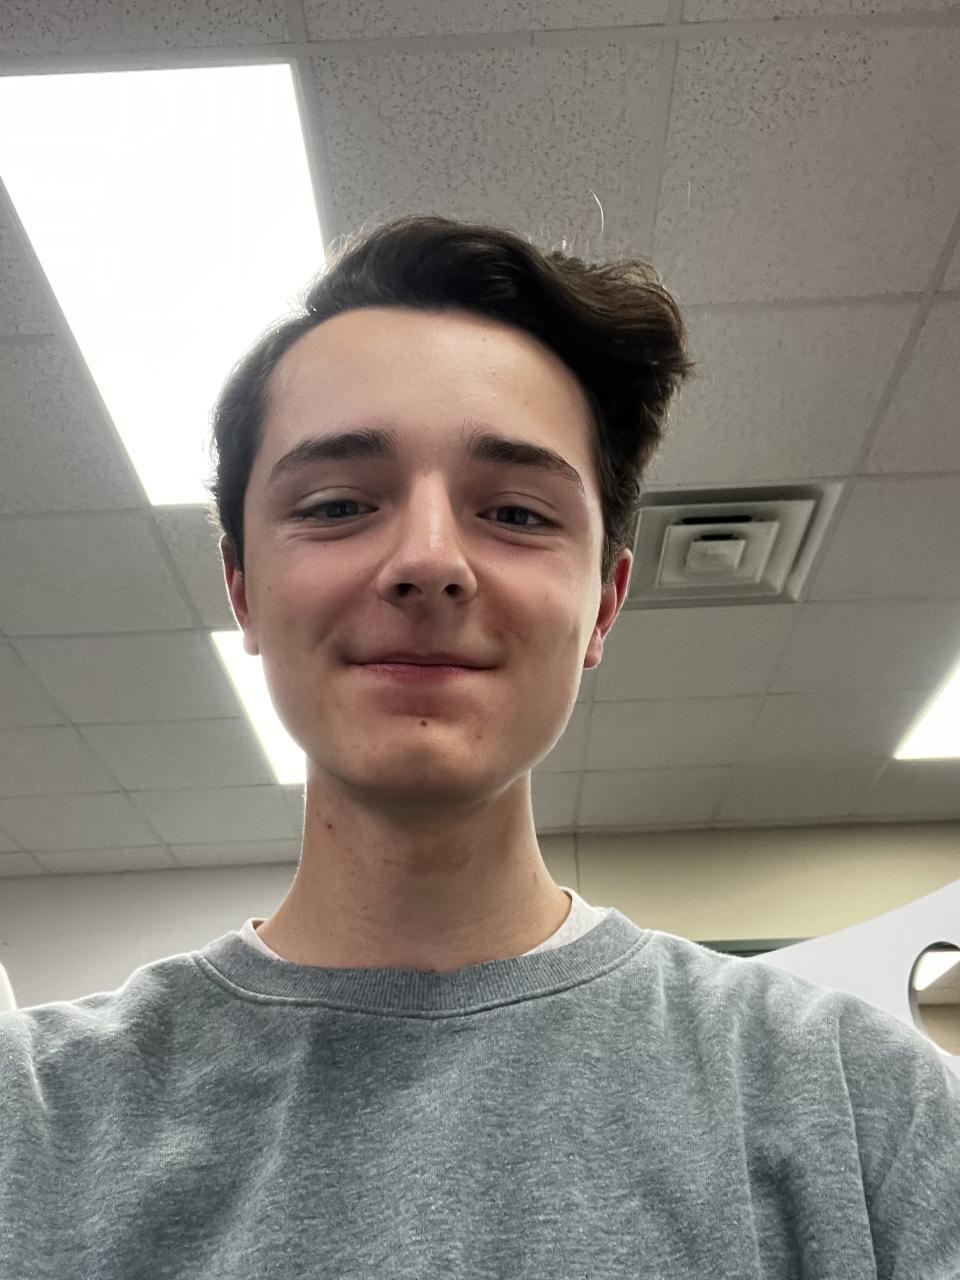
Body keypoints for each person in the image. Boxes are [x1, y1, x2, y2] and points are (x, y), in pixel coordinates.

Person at [1, 215, 957, 1278]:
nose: (428, 560)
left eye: (516, 512)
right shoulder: (31, 1122)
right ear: (243, 589)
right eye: (337, 503)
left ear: (603, 605)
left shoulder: (859, 1106)